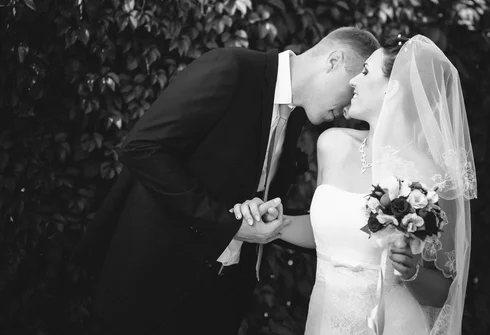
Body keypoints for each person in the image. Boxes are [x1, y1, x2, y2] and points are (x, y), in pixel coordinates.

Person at [73, 27, 380, 335]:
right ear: (333, 61)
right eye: (351, 90)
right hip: (152, 283)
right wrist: (226, 223)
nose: (347, 110)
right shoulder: (231, 68)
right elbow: (143, 148)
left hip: (220, 297)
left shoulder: (298, 114)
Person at [233, 35, 477, 334]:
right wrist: (280, 223)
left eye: (365, 72)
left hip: (392, 323)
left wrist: (412, 272)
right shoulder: (333, 144)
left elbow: (442, 291)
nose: (352, 82)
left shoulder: (434, 179)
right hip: (325, 318)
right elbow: (328, 231)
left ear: (393, 87)